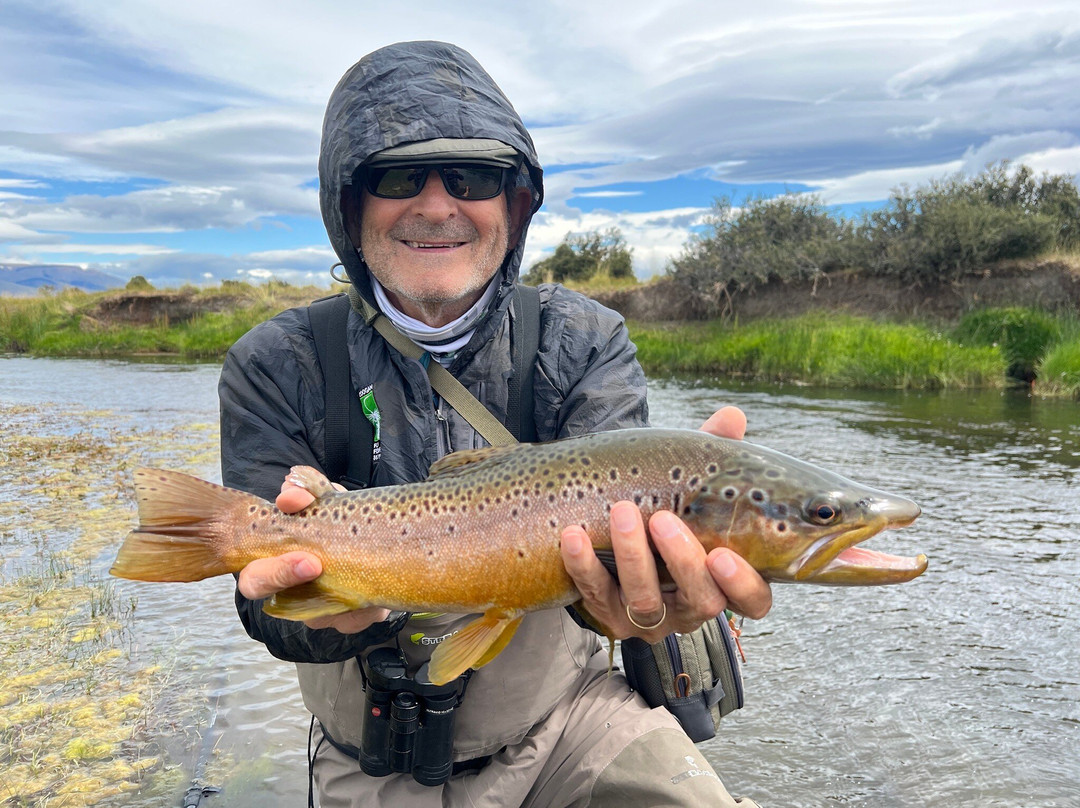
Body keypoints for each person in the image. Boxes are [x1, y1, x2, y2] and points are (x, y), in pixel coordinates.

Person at [218, 40, 770, 807]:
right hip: (370, 759)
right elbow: (260, 605)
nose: (437, 205)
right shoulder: (276, 362)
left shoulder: (583, 340)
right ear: (349, 203)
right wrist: (320, 613)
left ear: (515, 202)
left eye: (472, 176)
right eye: (398, 176)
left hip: (571, 725)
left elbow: (605, 580)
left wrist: (647, 604)